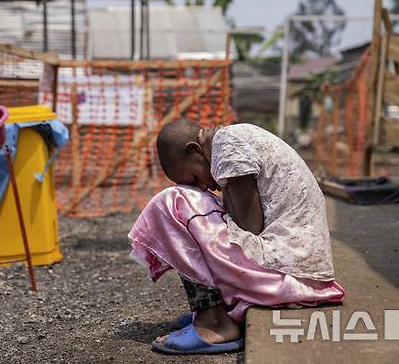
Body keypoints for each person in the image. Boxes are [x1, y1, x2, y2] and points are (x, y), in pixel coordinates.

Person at [128, 119, 345, 355]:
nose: (202, 186)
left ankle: (215, 323)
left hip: (289, 272)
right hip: (295, 269)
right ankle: (210, 312)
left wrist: (220, 190)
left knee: (171, 203)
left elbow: (248, 227)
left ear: (195, 150)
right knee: (192, 207)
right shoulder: (230, 140)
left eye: (194, 178)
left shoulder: (227, 145)